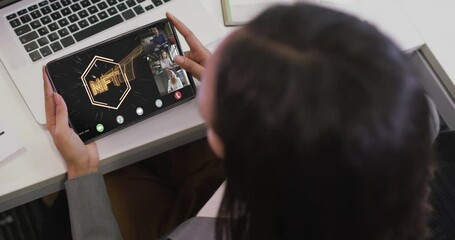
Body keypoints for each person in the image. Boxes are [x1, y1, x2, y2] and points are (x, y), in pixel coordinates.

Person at [43, 3, 435, 240]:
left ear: (224, 142)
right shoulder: (410, 114)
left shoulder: (198, 235)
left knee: (96, 181)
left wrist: (82, 171)